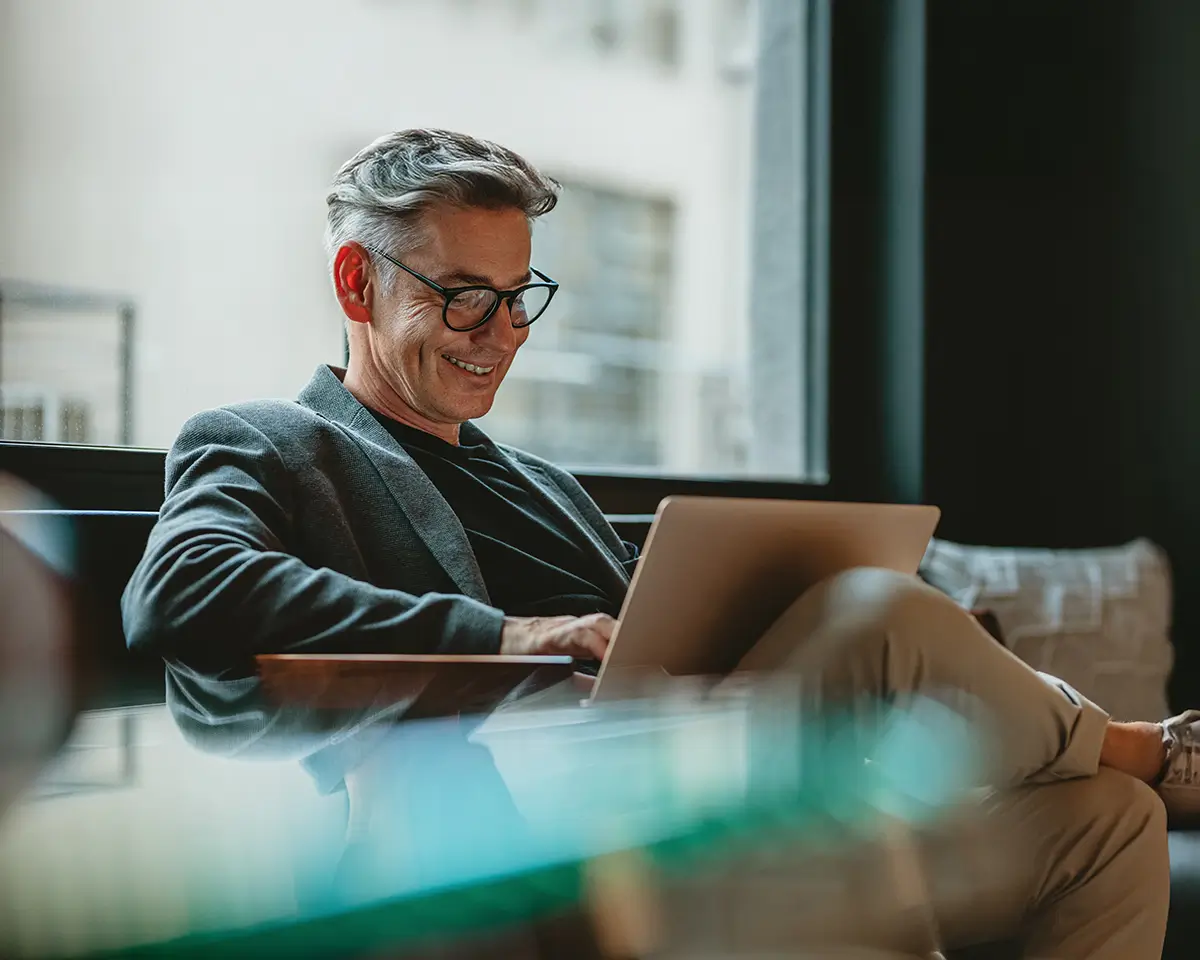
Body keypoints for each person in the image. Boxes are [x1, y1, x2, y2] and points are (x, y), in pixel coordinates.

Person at [123, 128, 1200, 958]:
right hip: (533, 835)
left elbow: (669, 653)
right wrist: (505, 636)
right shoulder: (269, 442)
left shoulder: (544, 485)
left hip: (698, 788)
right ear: (358, 284)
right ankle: (1149, 747)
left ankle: (1095, 761)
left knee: (1103, 827)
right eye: (462, 299)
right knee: (881, 616)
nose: (501, 335)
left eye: (517, 298)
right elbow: (182, 589)